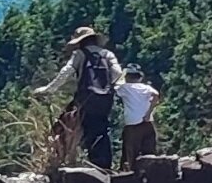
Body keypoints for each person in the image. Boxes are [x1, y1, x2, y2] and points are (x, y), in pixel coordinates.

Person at [33, 22, 124, 169]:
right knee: (101, 130)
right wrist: (107, 86)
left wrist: (48, 89)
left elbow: (66, 72)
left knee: (63, 125)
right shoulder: (107, 54)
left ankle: (64, 161)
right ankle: (105, 166)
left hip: (85, 99)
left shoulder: (80, 54)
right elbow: (118, 73)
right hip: (105, 100)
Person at [118, 66, 160, 168]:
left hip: (132, 124)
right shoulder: (146, 87)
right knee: (149, 153)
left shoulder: (124, 88)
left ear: (127, 77)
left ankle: (133, 176)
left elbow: (114, 86)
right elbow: (156, 95)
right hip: (148, 123)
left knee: (132, 154)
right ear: (140, 77)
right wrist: (148, 113)